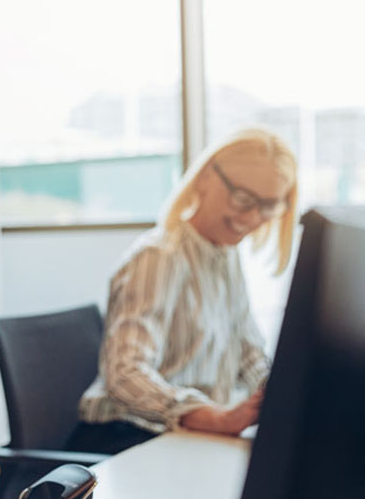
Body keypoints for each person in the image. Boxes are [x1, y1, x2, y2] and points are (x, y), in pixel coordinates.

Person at [69, 128, 299, 455]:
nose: (251, 217)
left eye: (268, 206)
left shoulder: (225, 255)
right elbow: (125, 374)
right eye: (243, 199)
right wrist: (211, 416)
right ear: (205, 178)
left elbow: (249, 351)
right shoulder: (159, 257)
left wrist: (276, 394)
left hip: (186, 435)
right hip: (124, 439)